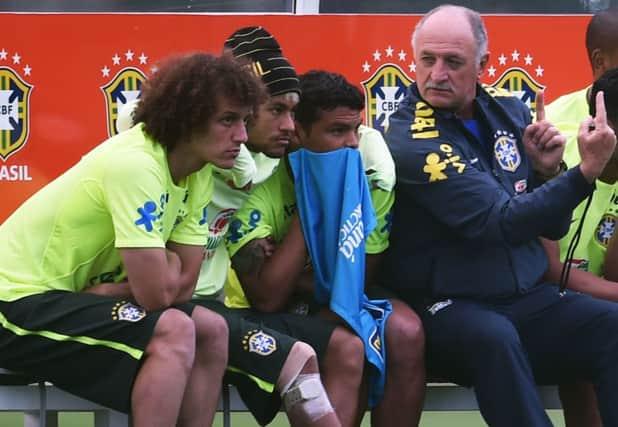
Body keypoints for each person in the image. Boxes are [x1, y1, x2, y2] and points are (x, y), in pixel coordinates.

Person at [381, 4, 618, 427]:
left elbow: (551, 225)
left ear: (482, 65)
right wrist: (584, 173)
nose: (437, 74)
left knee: (611, 325)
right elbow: (499, 222)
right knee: (495, 338)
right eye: (427, 60)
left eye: (453, 62)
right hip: (448, 309)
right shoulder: (409, 139)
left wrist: (549, 172)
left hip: (524, 300)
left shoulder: (509, 112)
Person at [0, 52, 265, 426]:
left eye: (244, 121)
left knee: (211, 327)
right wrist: (160, 270)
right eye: (227, 120)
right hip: (13, 302)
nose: (241, 136)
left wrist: (112, 292)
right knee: (174, 328)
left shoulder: (199, 172)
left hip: (69, 301)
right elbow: (156, 295)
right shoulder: (137, 164)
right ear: (186, 117)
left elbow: (183, 287)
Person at [117, 27, 343, 427]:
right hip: (172, 307)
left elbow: (364, 140)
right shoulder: (178, 156)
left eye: (292, 112)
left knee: (341, 349)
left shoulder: (263, 157)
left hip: (205, 306)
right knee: (300, 362)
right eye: (275, 111)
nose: (289, 126)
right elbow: (132, 117)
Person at [226, 70, 425, 427]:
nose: (351, 143)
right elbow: (267, 296)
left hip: (330, 296)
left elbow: (360, 277)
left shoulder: (371, 177)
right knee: (348, 337)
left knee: (405, 331)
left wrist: (299, 273)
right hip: (260, 314)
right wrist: (312, 206)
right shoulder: (258, 187)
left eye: (356, 129)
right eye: (337, 131)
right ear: (298, 134)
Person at [543, 10, 618, 426]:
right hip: (551, 295)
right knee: (593, 331)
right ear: (599, 62)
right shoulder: (553, 129)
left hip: (605, 289)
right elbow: (547, 271)